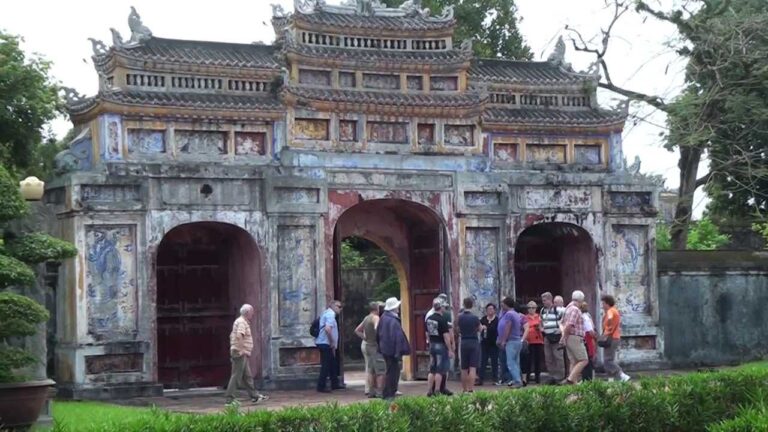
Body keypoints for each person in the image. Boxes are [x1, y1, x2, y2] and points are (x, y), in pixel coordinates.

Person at [225, 304, 268, 404]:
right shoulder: (241, 322)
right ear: (247, 313)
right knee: (236, 376)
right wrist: (240, 350)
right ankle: (230, 399)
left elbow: (232, 335)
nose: (253, 315)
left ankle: (254, 396)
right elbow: (239, 336)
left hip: (241, 352)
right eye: (252, 312)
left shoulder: (242, 322)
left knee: (247, 376)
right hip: (239, 353)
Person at [377, 297, 411, 400]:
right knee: (393, 372)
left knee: (391, 371)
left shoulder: (384, 318)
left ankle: (388, 392)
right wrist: (397, 353)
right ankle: (389, 392)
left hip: (386, 349)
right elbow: (396, 337)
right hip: (391, 351)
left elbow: (378, 335)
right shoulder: (393, 320)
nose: (398, 309)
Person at [497, 297, 529, 388]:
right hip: (517, 341)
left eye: (502, 303)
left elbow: (508, 327)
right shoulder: (514, 313)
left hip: (511, 341)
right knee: (516, 362)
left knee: (511, 362)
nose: (501, 304)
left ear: (506, 304)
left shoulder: (509, 314)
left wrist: (504, 340)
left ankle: (517, 381)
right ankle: (518, 379)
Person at [425, 294, 454, 396]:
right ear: (440, 307)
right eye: (443, 307)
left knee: (432, 369)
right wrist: (450, 349)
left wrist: (429, 342)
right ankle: (437, 390)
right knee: (440, 369)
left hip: (432, 344)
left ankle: (429, 390)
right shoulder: (441, 320)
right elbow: (446, 336)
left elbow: (427, 333)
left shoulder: (429, 318)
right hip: (441, 345)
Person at [355, 301, 385, 398]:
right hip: (375, 347)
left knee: (370, 370)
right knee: (380, 370)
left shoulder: (366, 318)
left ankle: (371, 391)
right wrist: (379, 334)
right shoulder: (375, 317)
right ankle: (380, 392)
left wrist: (365, 337)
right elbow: (377, 326)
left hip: (367, 345)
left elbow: (357, 330)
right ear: (377, 308)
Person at [560, 291, 589, 385]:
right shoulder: (575, 309)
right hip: (575, 336)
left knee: (574, 360)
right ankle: (570, 379)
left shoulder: (567, 309)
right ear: (580, 300)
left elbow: (561, 323)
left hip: (569, 336)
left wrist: (563, 336)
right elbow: (569, 325)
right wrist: (564, 336)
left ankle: (574, 384)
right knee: (583, 360)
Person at [316, 300, 345, 393]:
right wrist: (332, 341)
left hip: (323, 342)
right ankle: (321, 386)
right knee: (326, 365)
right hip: (325, 343)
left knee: (332, 363)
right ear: (332, 306)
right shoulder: (330, 315)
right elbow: (328, 329)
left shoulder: (327, 313)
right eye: (339, 306)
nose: (340, 309)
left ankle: (335, 383)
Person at [601, 295, 631, 382]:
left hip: (611, 338)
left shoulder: (610, 311)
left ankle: (622, 375)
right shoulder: (613, 311)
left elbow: (610, 319)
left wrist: (607, 332)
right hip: (614, 337)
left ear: (607, 303)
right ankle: (611, 380)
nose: (602, 305)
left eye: (603, 303)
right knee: (608, 359)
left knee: (608, 360)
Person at [540, 292, 566, 384]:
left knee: (558, 357)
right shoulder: (543, 310)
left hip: (556, 336)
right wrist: (541, 328)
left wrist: (560, 330)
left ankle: (560, 377)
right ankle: (551, 376)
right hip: (547, 336)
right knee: (548, 357)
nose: (543, 302)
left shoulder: (558, 310)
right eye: (542, 300)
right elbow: (541, 321)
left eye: (545, 300)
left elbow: (566, 320)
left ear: (550, 300)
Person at [457, 297, 481, 393]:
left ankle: (464, 389)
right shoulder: (475, 318)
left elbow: (458, 330)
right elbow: (480, 329)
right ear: (472, 305)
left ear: (463, 304)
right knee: (472, 367)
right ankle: (471, 389)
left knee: (464, 367)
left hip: (463, 341)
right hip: (473, 342)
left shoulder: (460, 317)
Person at [522, 301, 544, 385]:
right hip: (528, 341)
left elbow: (543, 328)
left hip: (538, 340)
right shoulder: (525, 317)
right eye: (529, 308)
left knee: (537, 360)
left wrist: (539, 328)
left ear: (536, 308)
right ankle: (526, 377)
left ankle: (537, 377)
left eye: (533, 307)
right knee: (528, 360)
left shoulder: (539, 317)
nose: (531, 309)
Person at [478, 303, 499, 386]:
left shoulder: (497, 319)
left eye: (491, 309)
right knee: (483, 361)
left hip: (494, 343)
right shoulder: (483, 319)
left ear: (494, 310)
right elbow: (479, 328)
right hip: (484, 343)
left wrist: (487, 328)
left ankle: (495, 379)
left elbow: (497, 330)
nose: (489, 311)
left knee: (494, 361)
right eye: (488, 309)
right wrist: (481, 328)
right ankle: (481, 379)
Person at [580, 302, 597, 381]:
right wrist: (596, 337)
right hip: (588, 338)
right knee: (588, 358)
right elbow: (590, 330)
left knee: (587, 358)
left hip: (585, 338)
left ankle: (586, 378)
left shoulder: (583, 316)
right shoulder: (586, 316)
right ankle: (588, 378)